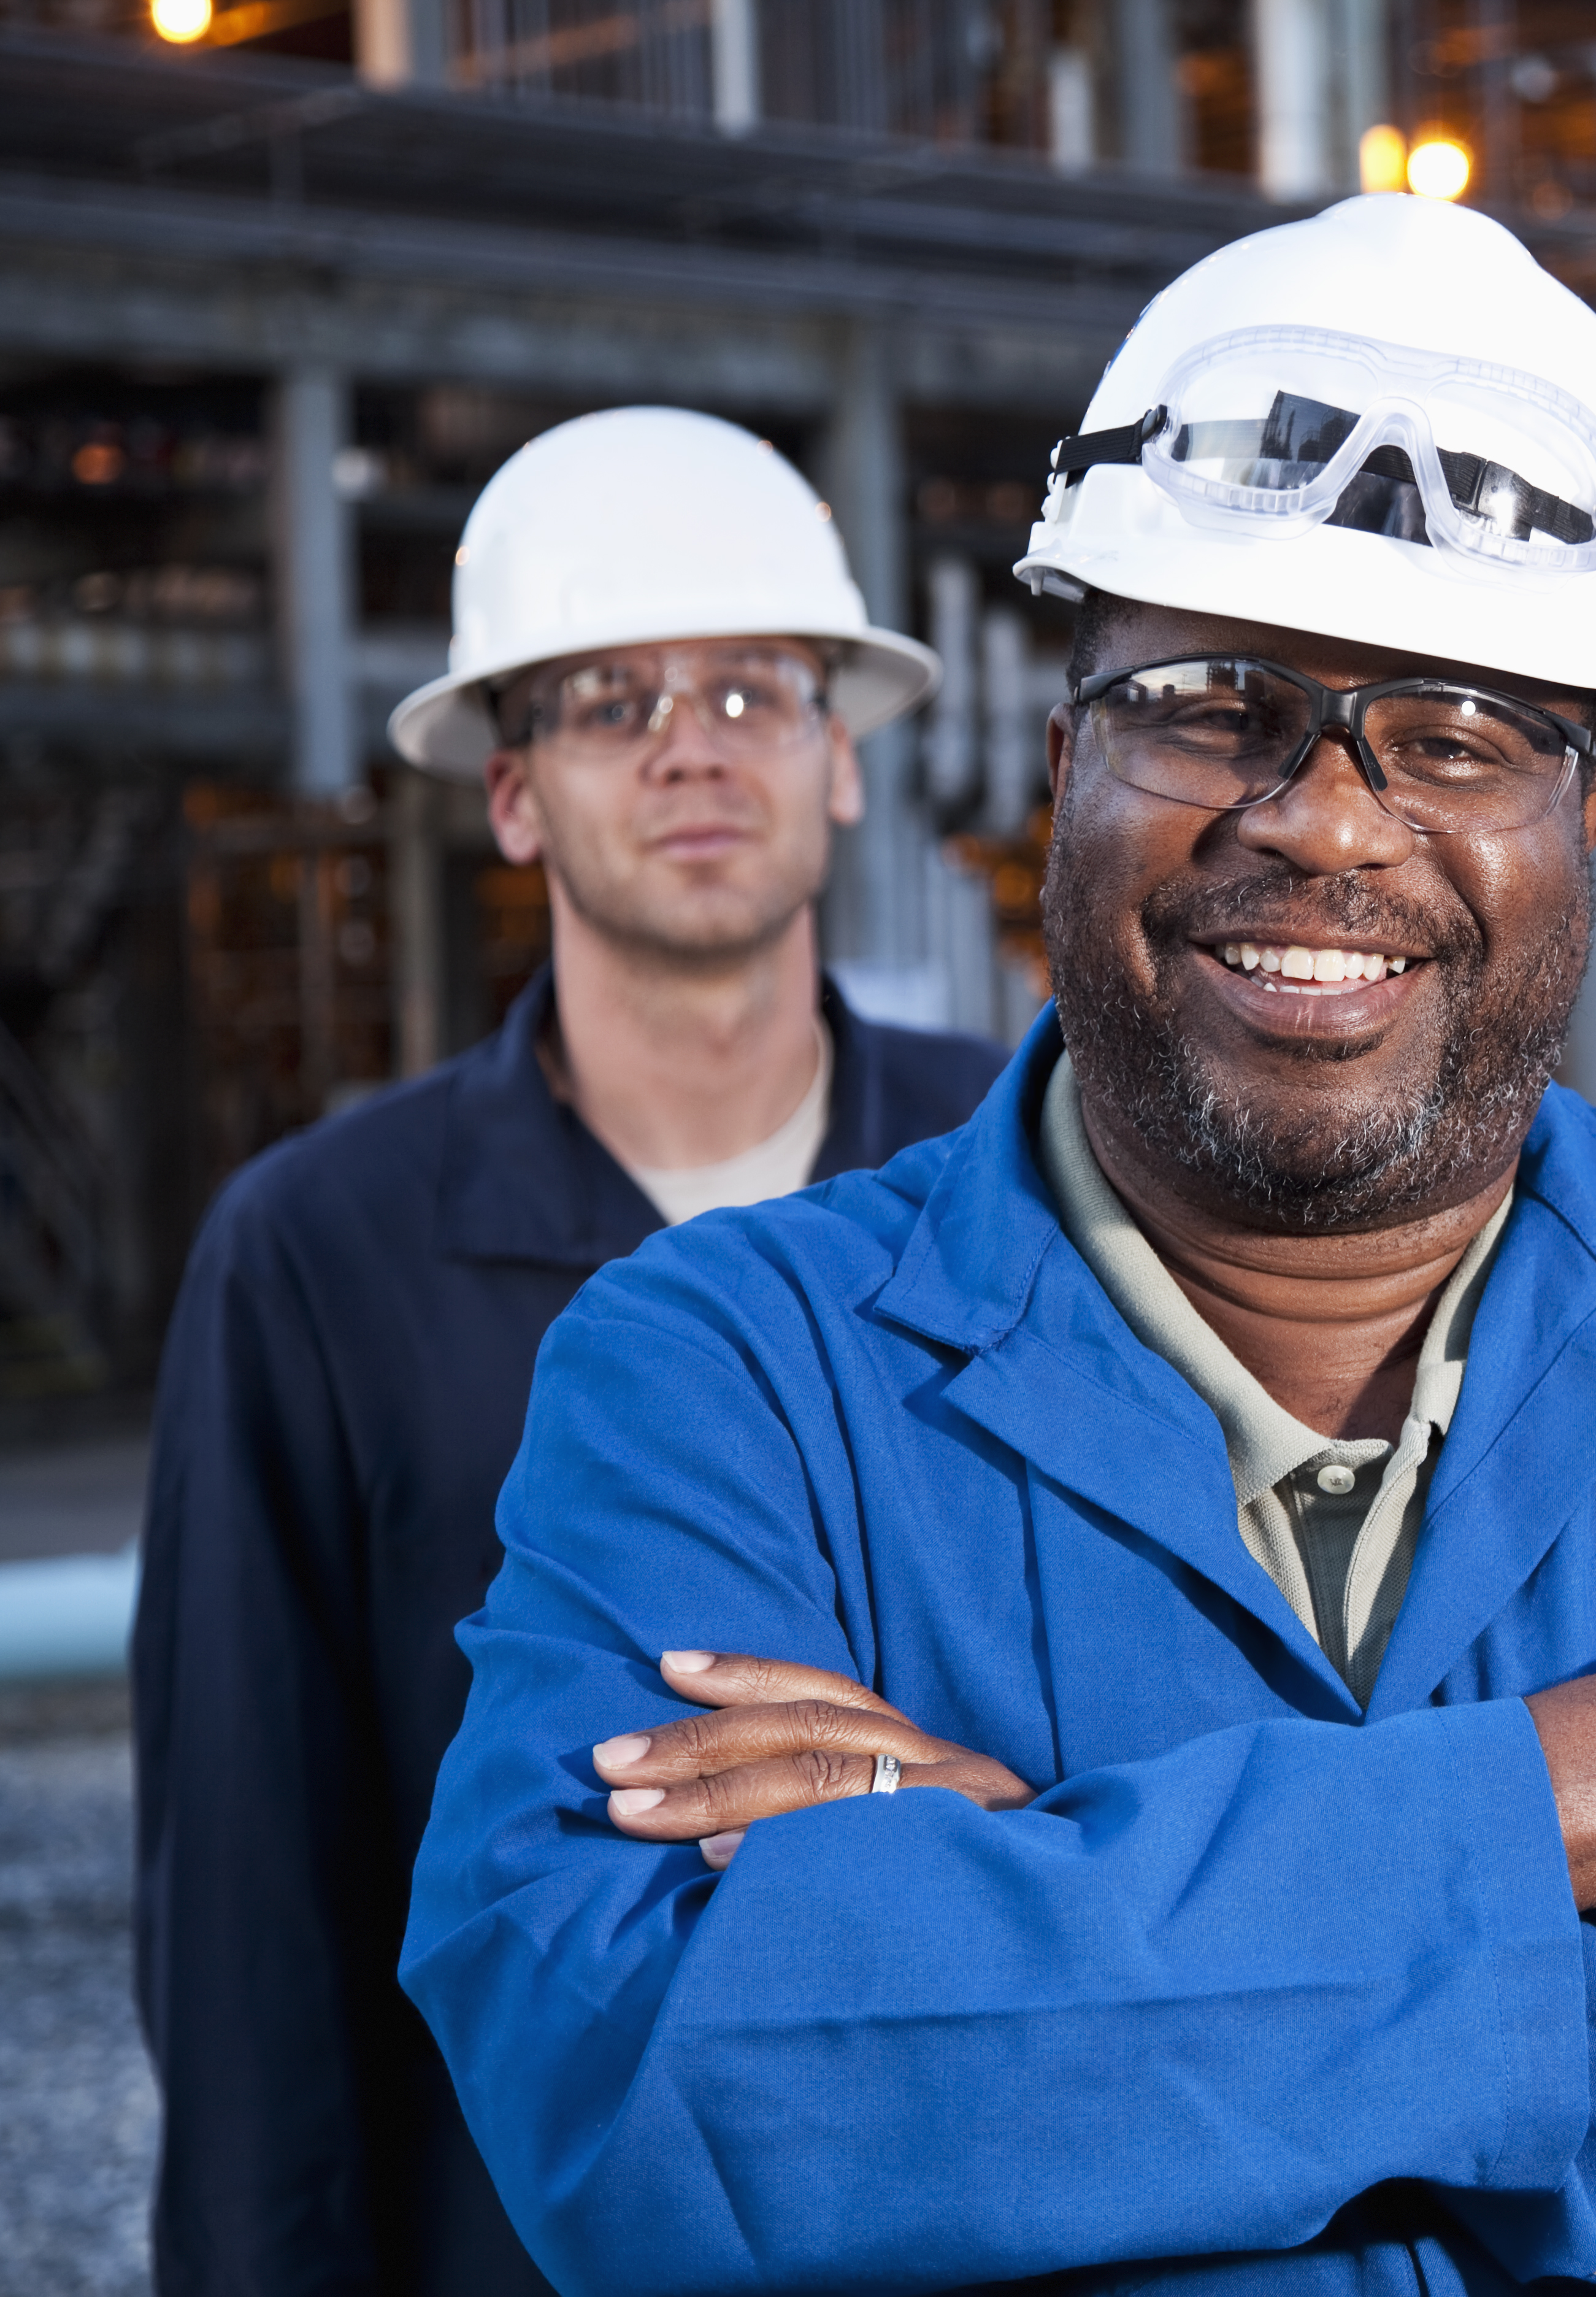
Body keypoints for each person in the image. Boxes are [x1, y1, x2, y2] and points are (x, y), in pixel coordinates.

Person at [397, 195, 1596, 2297]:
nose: (1325, 819)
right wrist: (1546, 1809)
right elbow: (657, 2086)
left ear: (1592, 827)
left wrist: (1018, 1926)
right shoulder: (727, 1373)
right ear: (1061, 762)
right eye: (1211, 702)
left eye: (1461, 732)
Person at [133, 406, 1006, 2297]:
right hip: (518, 2242)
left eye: (753, 692)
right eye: (612, 702)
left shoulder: (1024, 1180)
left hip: (986, 2214)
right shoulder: (320, 1250)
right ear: (514, 789)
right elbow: (250, 1914)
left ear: (842, 758)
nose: (693, 747)